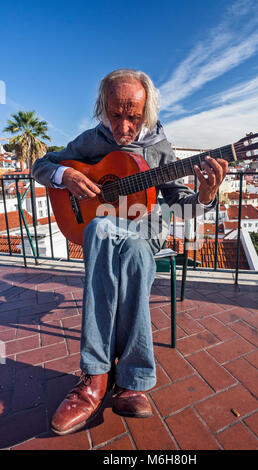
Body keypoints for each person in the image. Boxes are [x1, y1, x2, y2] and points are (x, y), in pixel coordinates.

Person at [32, 68, 228, 435]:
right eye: (115, 114)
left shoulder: (159, 148)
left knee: (109, 233)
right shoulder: (91, 141)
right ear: (102, 108)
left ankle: (96, 377)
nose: (122, 126)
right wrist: (67, 177)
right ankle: (126, 379)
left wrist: (205, 196)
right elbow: (41, 164)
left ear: (147, 113)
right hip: (109, 228)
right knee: (112, 236)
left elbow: (178, 203)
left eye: (133, 117)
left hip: (147, 225)